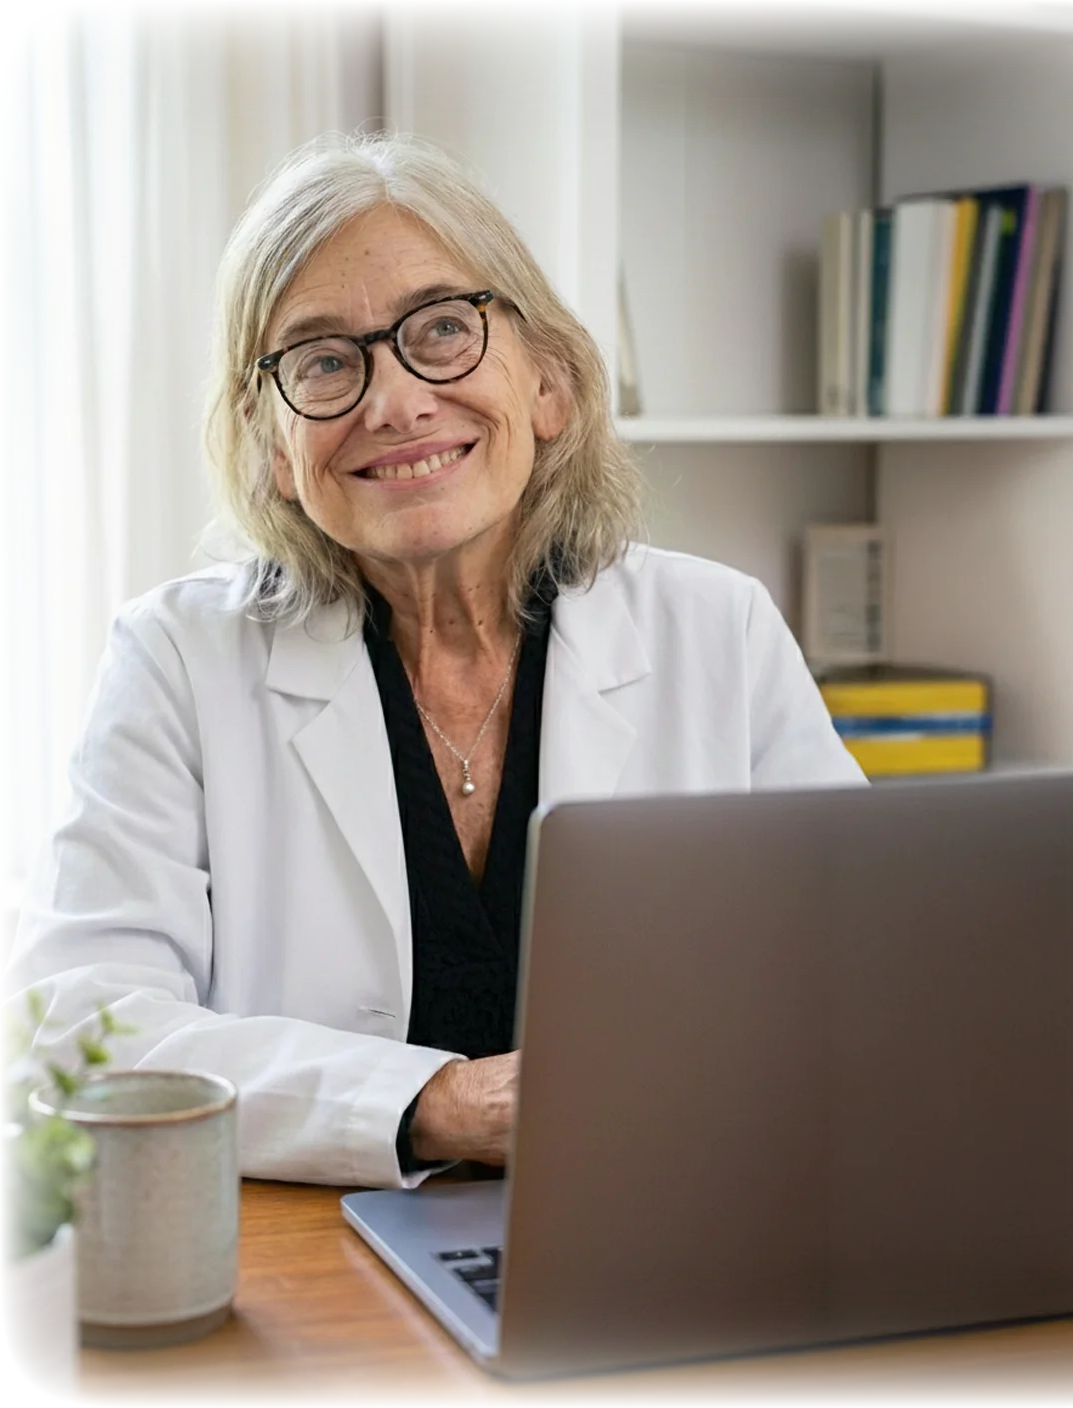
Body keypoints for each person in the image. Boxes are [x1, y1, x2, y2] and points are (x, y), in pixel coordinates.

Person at [0, 131, 865, 1189]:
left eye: (443, 330)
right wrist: (432, 1105)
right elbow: (73, 1023)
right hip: (314, 1273)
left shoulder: (715, 629)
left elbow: (857, 976)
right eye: (323, 359)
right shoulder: (178, 658)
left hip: (673, 1211)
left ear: (547, 381)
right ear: (274, 445)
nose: (395, 401)